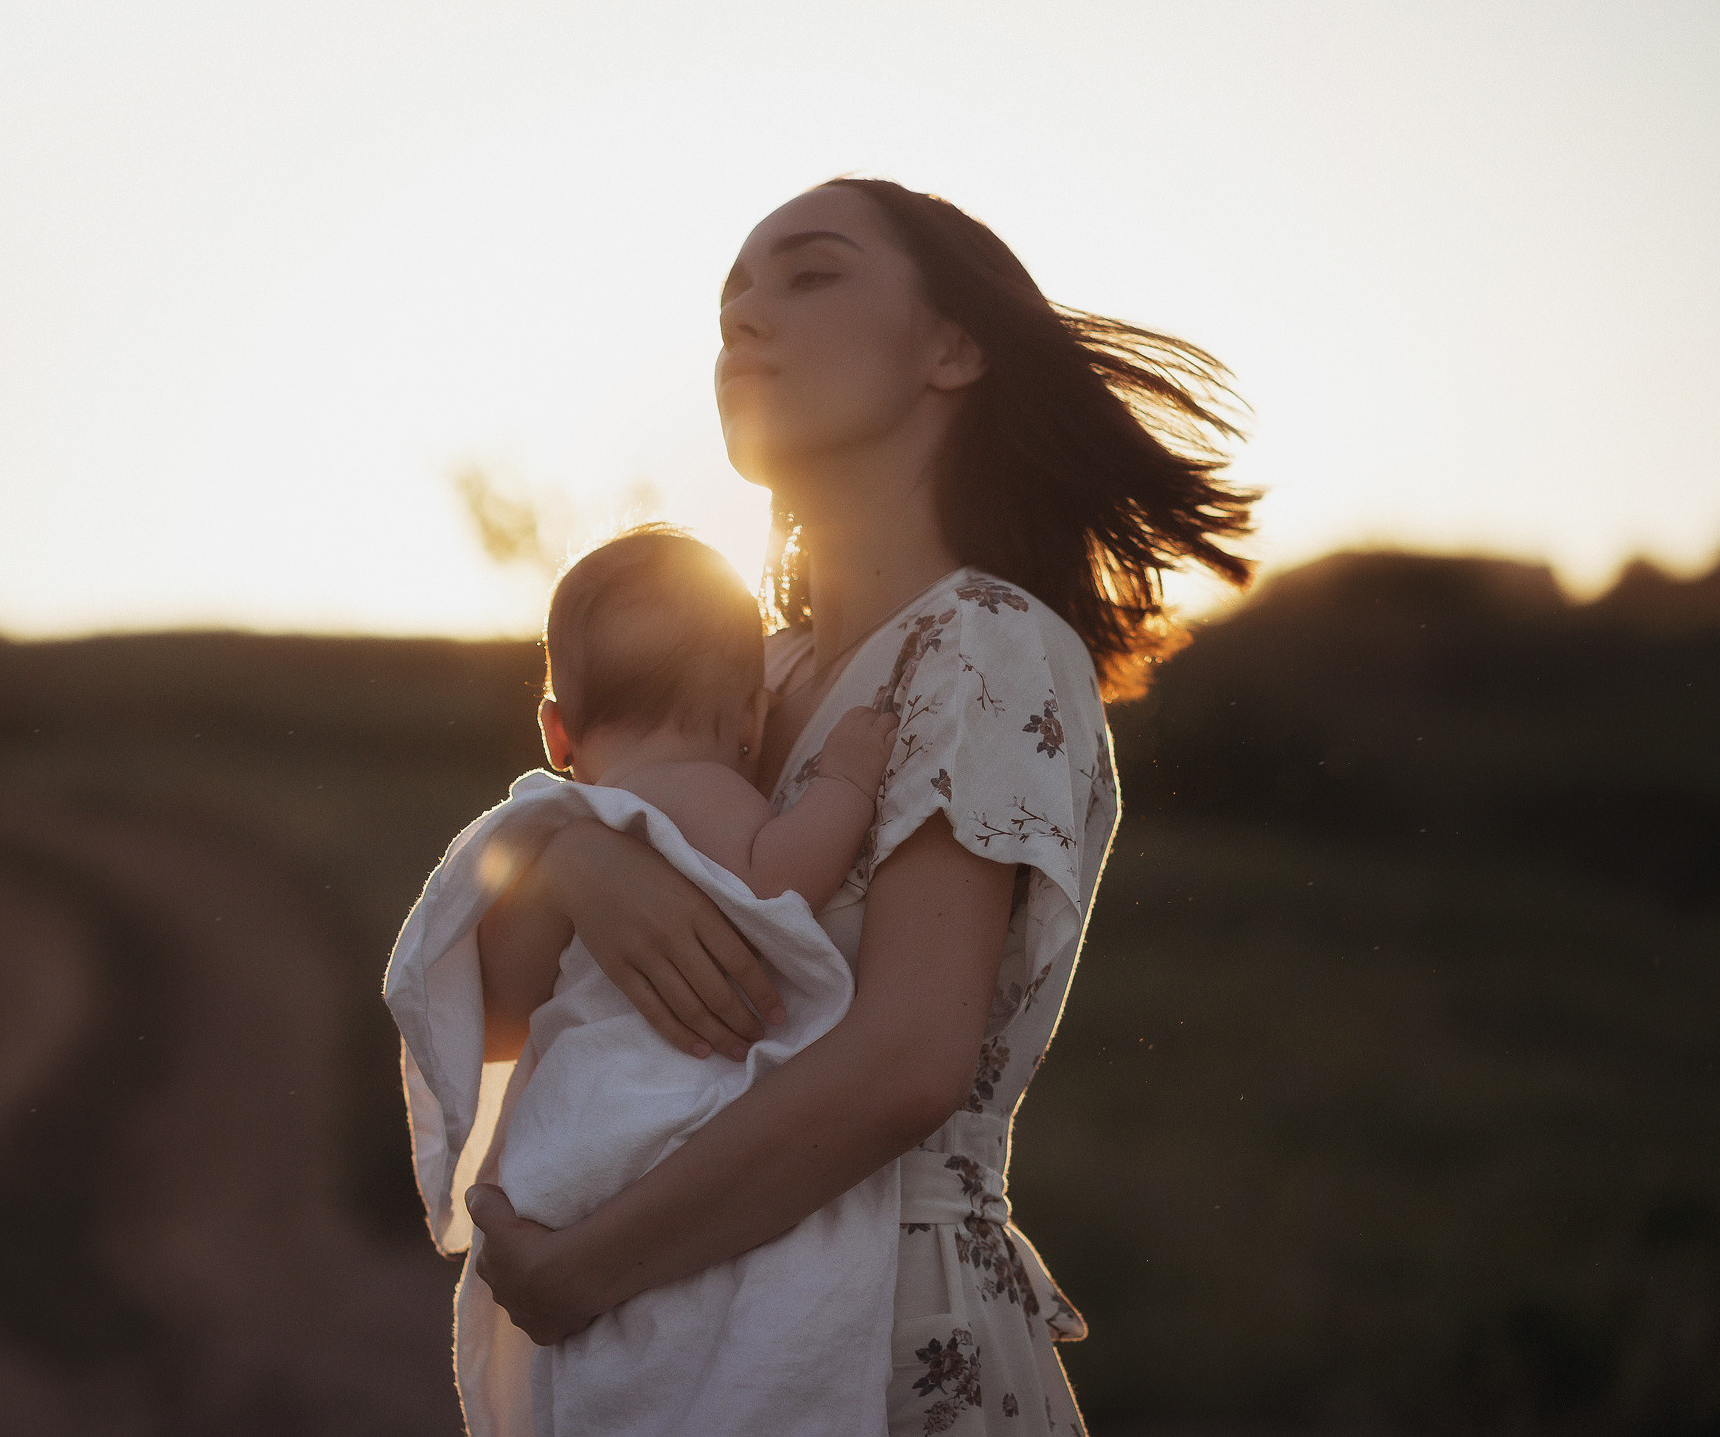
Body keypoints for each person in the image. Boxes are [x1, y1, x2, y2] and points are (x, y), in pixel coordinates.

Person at [461, 177, 1257, 1435]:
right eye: (729, 302)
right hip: (683, 1332)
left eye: (809, 276)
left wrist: (587, 1268)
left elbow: (907, 1060)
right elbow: (501, 1013)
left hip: (888, 1334)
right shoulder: (751, 677)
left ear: (953, 348)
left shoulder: (984, 644)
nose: (744, 323)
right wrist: (561, 861)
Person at [386, 526, 909, 1435]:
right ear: (751, 717)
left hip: (579, 1132)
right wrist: (849, 784)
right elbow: (780, 874)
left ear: (556, 730)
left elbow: (502, 995)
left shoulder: (556, 821)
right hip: (677, 1114)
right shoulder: (707, 787)